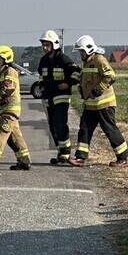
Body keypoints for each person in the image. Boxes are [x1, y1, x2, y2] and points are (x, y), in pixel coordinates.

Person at [68, 34, 128, 167]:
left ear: (89, 49)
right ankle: (80, 158)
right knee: (84, 130)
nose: (80, 54)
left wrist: (97, 90)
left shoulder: (99, 60)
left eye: (82, 51)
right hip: (90, 105)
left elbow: (110, 76)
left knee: (109, 129)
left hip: (104, 105)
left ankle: (123, 157)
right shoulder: (87, 63)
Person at [36, 29, 80, 165]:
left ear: (54, 44)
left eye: (47, 45)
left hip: (61, 97)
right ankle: (61, 151)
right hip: (48, 97)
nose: (44, 48)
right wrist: (41, 86)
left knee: (59, 123)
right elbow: (41, 76)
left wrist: (68, 84)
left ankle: (66, 152)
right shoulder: (43, 61)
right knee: (52, 126)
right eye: (43, 45)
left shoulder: (64, 60)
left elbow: (77, 73)